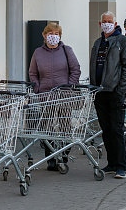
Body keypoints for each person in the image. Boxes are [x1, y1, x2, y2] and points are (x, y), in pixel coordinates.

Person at [28, 22, 81, 170]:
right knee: (47, 127)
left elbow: (75, 69)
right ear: (44, 35)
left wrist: (69, 86)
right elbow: (33, 73)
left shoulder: (66, 50)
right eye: (51, 33)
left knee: (65, 126)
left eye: (56, 34)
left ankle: (64, 156)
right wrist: (38, 89)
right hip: (46, 96)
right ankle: (50, 158)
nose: (54, 36)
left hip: (64, 95)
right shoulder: (38, 53)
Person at [89, 11, 126, 179]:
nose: (106, 24)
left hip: (115, 92)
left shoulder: (122, 41)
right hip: (99, 93)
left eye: (109, 21)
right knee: (106, 130)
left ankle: (121, 166)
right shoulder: (98, 42)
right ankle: (111, 163)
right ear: (100, 24)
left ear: (115, 24)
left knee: (116, 129)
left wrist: (120, 90)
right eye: (104, 21)